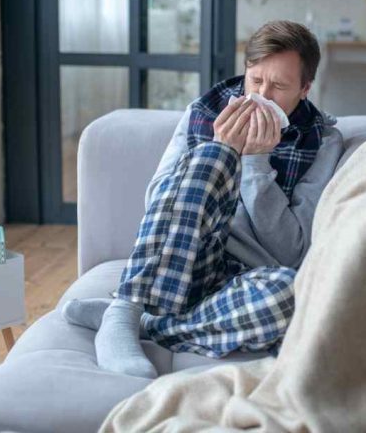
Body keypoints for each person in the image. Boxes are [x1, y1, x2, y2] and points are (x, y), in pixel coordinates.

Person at [61, 20, 344, 378]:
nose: (262, 95)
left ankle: (142, 323)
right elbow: (158, 200)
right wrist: (224, 149)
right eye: (256, 80)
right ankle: (125, 310)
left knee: (293, 296)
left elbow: (291, 251)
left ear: (304, 89)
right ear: (245, 71)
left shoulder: (321, 142)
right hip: (182, 258)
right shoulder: (204, 112)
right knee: (213, 156)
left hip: (247, 277)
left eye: (279, 86)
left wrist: (256, 164)